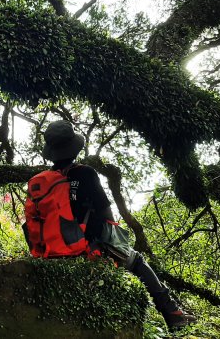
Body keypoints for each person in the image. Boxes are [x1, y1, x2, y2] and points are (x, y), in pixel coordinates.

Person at [27, 120, 196, 332]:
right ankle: (172, 314)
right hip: (86, 248)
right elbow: (107, 214)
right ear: (74, 148)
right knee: (136, 260)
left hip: (52, 249)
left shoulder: (44, 182)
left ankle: (173, 314)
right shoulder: (85, 173)